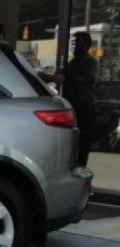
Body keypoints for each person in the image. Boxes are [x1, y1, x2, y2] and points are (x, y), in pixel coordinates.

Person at [40, 32, 97, 169]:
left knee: (83, 140)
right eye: (74, 43)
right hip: (71, 103)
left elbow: (89, 79)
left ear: (84, 44)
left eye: (77, 43)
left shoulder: (90, 61)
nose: (74, 46)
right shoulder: (71, 63)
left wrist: (65, 78)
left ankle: (80, 166)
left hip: (83, 105)